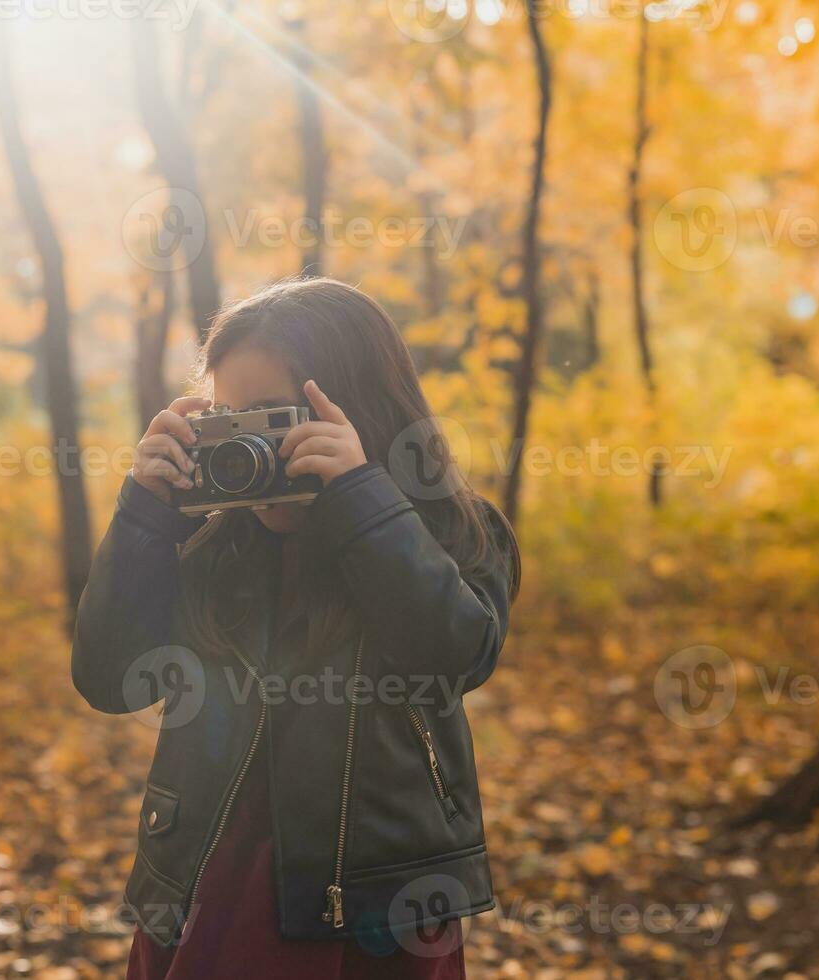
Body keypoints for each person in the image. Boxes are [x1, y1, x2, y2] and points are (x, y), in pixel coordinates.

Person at [72, 277, 520, 979]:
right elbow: (106, 679)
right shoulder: (210, 548)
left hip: (369, 912)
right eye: (227, 421)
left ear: (356, 408)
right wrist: (143, 517)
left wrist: (359, 499)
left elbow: (455, 652)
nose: (249, 448)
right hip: (206, 890)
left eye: (272, 419)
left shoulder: (452, 531)